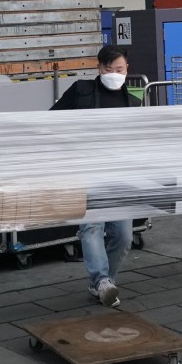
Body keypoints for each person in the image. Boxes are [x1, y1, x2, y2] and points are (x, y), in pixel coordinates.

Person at [51, 45, 140, 307]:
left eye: (119, 70)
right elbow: (51, 120)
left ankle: (101, 283)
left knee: (123, 236)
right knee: (91, 227)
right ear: (99, 68)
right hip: (85, 171)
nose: (115, 74)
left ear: (127, 70)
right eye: (109, 69)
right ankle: (102, 280)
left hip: (119, 176)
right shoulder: (81, 91)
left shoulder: (133, 102)